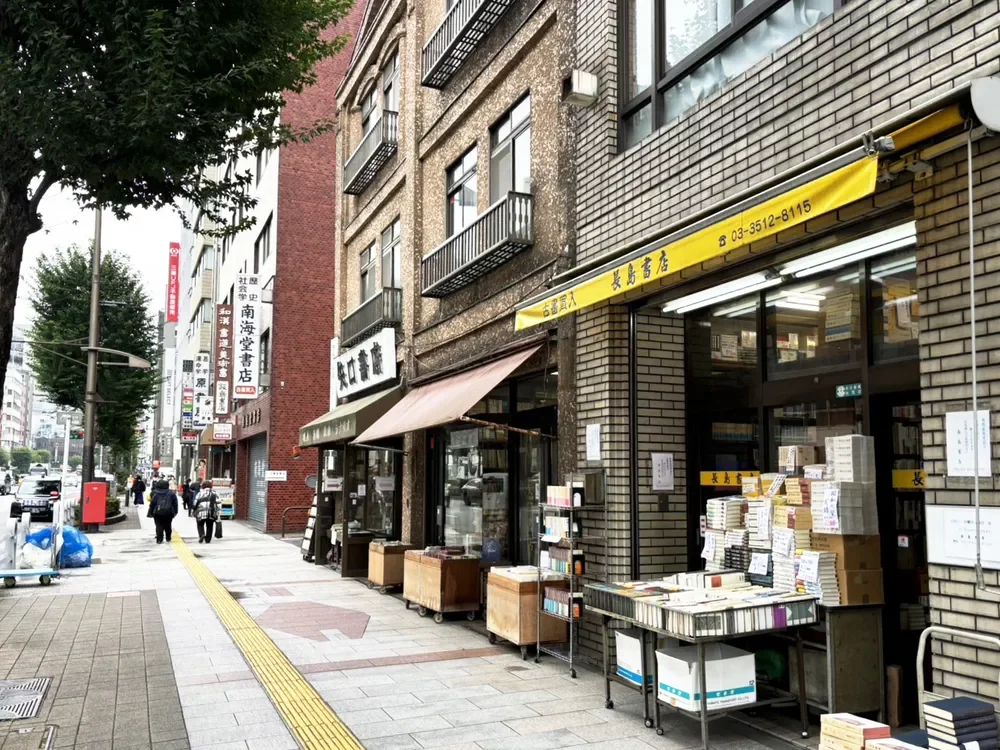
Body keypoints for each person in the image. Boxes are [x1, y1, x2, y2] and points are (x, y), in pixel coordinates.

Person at [148, 479, 177, 544]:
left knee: (158, 525)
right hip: (169, 512)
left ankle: (159, 539)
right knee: (168, 525)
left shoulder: (155, 493)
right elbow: (175, 503)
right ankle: (168, 537)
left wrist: (151, 512)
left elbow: (152, 503)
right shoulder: (171, 493)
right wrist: (175, 512)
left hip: (157, 512)